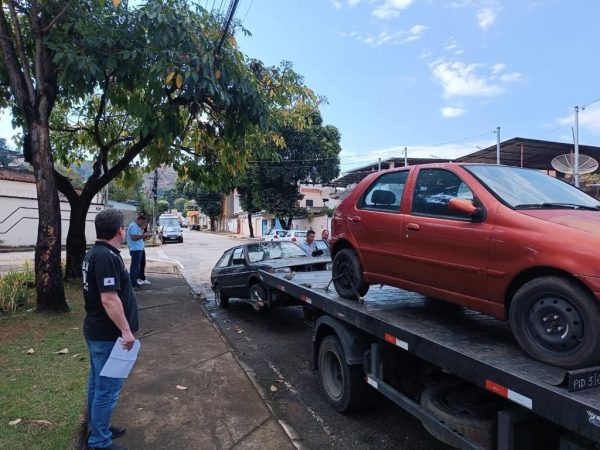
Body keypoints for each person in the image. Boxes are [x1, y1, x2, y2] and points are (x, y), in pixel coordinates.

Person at [82, 208, 138, 450]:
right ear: (119, 230)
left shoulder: (97, 253)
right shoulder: (104, 256)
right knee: (107, 389)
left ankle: (99, 428)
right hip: (108, 335)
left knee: (97, 384)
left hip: (99, 332)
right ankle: (99, 442)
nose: (124, 231)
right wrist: (126, 331)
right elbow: (109, 299)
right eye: (124, 227)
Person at [126, 214, 150, 289]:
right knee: (135, 266)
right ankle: (133, 284)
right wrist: (143, 235)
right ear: (139, 220)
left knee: (137, 266)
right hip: (135, 249)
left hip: (139, 248)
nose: (143, 224)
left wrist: (145, 235)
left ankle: (135, 282)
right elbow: (134, 237)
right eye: (143, 222)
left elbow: (141, 239)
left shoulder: (137, 227)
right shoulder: (133, 226)